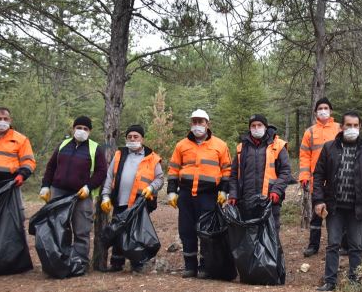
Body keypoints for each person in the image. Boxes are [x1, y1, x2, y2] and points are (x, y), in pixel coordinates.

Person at [312, 111, 362, 291]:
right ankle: (330, 281)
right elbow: (319, 175)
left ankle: (355, 280)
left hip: (357, 207)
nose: (352, 129)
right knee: (333, 244)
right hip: (334, 206)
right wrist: (318, 200)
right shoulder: (329, 148)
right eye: (348, 125)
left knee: (356, 245)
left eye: (355, 126)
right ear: (341, 127)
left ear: (359, 127)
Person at [167, 109, 232, 278]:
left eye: (200, 122)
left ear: (207, 124)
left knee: (206, 232)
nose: (197, 125)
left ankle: (205, 266)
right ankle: (190, 266)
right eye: (194, 122)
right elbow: (173, 169)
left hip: (209, 195)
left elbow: (227, 169)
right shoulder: (181, 145)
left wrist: (224, 190)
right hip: (186, 195)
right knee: (186, 231)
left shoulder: (220, 145)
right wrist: (172, 191)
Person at [39, 116, 108, 268]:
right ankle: (60, 260)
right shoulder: (63, 144)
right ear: (73, 129)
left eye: (85, 129)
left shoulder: (95, 148)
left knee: (81, 230)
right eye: (79, 127)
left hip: (81, 195)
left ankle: (80, 263)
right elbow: (51, 167)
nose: (81, 131)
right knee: (59, 228)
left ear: (90, 131)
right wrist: (45, 186)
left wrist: (88, 187)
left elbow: (101, 172)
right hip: (58, 192)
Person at [100, 125, 164, 272]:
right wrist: (105, 196)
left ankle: (137, 263)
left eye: (136, 137)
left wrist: (151, 188)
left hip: (141, 203)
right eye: (130, 137)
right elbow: (110, 177)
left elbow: (160, 179)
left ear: (142, 139)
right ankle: (116, 263)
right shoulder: (119, 155)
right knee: (118, 231)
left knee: (137, 233)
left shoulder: (152, 157)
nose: (133, 139)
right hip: (120, 200)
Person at [228, 114, 293, 235]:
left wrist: (276, 190)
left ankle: (273, 254)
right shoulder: (241, 147)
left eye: (259, 125)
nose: (256, 128)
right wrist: (233, 194)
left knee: (271, 234)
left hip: (270, 199)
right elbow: (234, 174)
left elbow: (285, 172)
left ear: (265, 127)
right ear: (249, 128)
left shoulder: (278, 145)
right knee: (249, 235)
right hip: (246, 199)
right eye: (253, 125)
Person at [299, 98, 341, 257]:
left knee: (337, 213)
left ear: (331, 110)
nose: (323, 111)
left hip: (336, 179)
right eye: (320, 108)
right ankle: (313, 245)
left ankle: (338, 244)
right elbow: (304, 156)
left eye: (326, 108)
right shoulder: (310, 132)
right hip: (316, 180)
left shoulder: (339, 128)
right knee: (316, 215)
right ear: (316, 112)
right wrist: (304, 176)